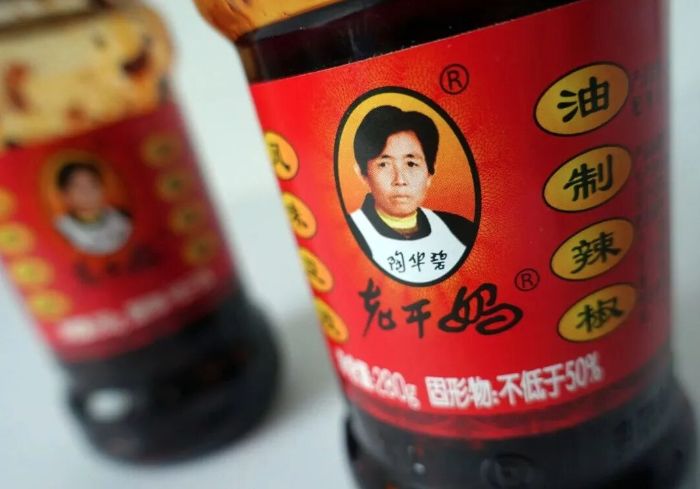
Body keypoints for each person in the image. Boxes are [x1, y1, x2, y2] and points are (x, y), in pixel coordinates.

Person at [349, 105, 476, 283]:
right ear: (363, 174)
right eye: (384, 164)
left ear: (430, 173)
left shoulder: (459, 231)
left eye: (411, 164)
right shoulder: (347, 233)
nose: (400, 180)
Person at [54, 161, 132, 255]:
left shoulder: (122, 220)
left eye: (93, 185)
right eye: (78, 186)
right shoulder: (61, 229)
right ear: (65, 195)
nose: (87, 192)